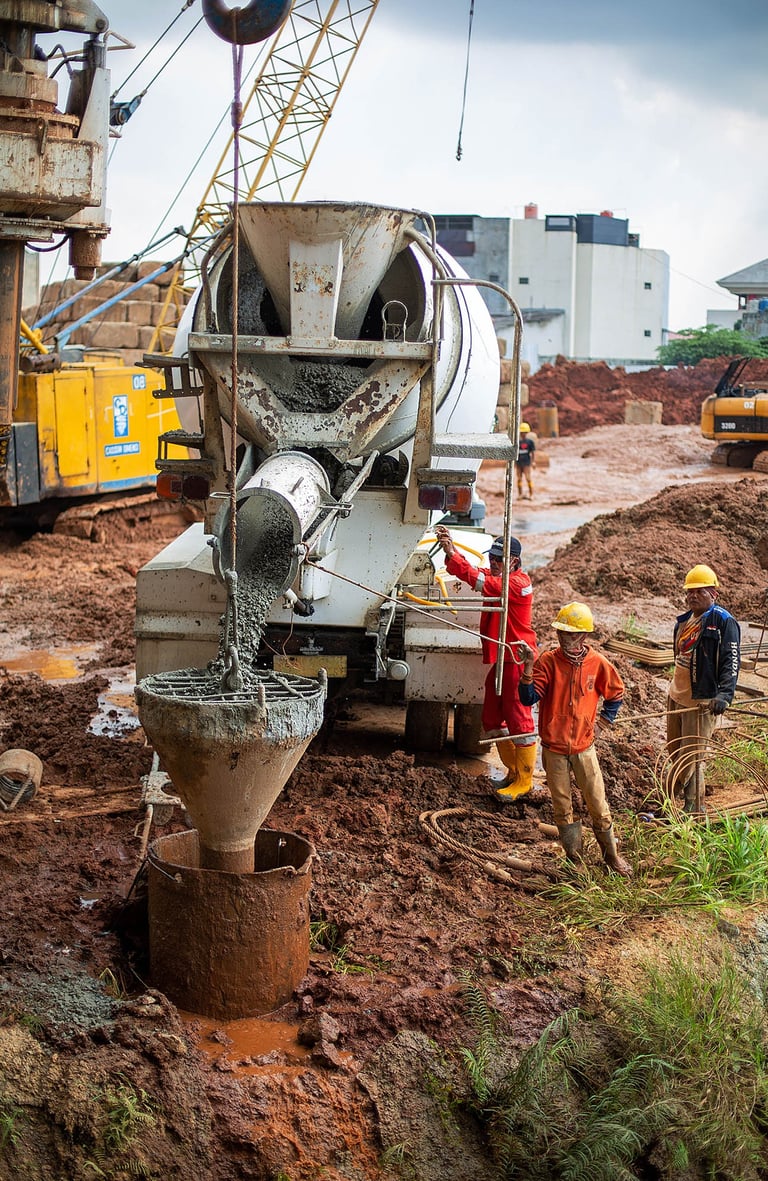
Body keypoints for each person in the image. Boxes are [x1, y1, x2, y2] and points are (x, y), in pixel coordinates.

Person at [516, 601, 632, 876]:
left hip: (584, 747)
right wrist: (528, 669)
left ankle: (611, 858)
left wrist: (603, 724)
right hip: (554, 748)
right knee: (561, 805)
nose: (563, 638)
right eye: (560, 633)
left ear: (583, 636)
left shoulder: (598, 664)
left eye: (569, 634)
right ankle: (575, 858)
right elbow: (528, 698)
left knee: (598, 804)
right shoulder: (548, 661)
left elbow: (616, 694)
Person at [434, 525, 538, 801]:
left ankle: (524, 780)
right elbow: (477, 576)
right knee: (491, 717)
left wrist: (454, 555)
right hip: (502, 658)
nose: (493, 562)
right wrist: (451, 552)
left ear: (514, 561)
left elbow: (483, 583)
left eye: (498, 559)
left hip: (516, 659)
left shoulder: (517, 584)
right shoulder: (501, 579)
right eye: (491, 557)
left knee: (519, 719)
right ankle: (513, 771)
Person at [666, 564, 740, 814]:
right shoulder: (684, 621)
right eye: (690, 591)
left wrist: (724, 695)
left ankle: (693, 807)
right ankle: (675, 798)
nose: (693, 596)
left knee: (693, 756)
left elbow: (732, 660)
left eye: (700, 591)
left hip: (700, 701)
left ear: (713, 594)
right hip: (677, 696)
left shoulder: (723, 621)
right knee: (676, 751)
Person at [515, 422, 536, 499]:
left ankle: (531, 494)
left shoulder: (530, 442)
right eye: (521, 433)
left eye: (524, 433)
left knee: (528, 478)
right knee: (519, 479)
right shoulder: (517, 442)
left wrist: (533, 462)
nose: (523, 434)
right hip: (518, 463)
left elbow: (533, 453)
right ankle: (520, 494)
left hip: (526, 463)